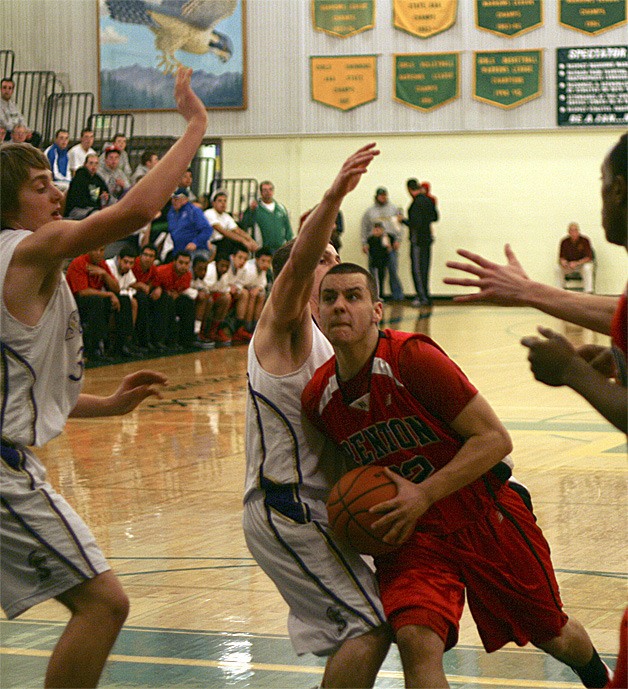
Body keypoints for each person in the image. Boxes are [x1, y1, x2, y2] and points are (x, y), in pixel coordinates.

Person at [302, 262, 612, 689]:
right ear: (315, 313)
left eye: (353, 296)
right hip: (413, 535)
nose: (340, 307)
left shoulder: (411, 358)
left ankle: (599, 679)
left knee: (553, 635)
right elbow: (345, 481)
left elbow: (495, 440)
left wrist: (424, 494)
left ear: (376, 310)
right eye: (330, 298)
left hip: (484, 514)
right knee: (415, 639)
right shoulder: (319, 398)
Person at [0, 66, 207, 687]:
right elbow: (138, 209)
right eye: (42, 187)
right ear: (11, 204)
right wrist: (195, 126)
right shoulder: (30, 251)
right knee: (105, 603)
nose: (56, 196)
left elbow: (23, 397)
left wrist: (109, 405)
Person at [243, 143, 392, 689]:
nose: (331, 262)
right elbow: (299, 262)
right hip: (286, 506)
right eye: (322, 257)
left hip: (315, 504)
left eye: (336, 256)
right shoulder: (281, 326)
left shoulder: (333, 344)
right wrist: (333, 195)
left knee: (375, 620)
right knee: (369, 625)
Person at [65, 246, 123, 361]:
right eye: (95, 249)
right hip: (75, 303)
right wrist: (109, 295)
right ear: (88, 250)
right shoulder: (79, 263)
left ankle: (121, 345)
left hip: (95, 301)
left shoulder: (102, 264)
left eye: (101, 250)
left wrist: (104, 274)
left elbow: (117, 289)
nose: (98, 253)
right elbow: (82, 292)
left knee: (123, 300)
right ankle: (95, 349)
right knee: (96, 300)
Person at [361, 187, 404, 301]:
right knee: (374, 271)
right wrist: (364, 243)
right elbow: (364, 228)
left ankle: (397, 296)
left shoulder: (393, 209)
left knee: (393, 269)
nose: (383, 197)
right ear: (376, 196)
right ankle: (375, 295)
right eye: (381, 195)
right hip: (374, 244)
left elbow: (399, 226)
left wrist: (398, 240)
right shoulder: (369, 212)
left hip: (390, 241)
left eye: (385, 195)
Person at [404, 178, 438, 307]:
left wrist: (403, 221)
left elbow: (415, 224)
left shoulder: (415, 204)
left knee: (417, 269)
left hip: (418, 241)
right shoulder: (429, 200)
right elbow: (435, 217)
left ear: (409, 189)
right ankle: (426, 296)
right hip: (427, 240)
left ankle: (422, 296)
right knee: (425, 269)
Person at [153, 250, 196, 349]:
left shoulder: (188, 275)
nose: (183, 266)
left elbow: (180, 290)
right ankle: (162, 340)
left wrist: (176, 294)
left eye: (186, 263)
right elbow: (153, 286)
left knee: (188, 302)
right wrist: (160, 289)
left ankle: (186, 340)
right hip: (159, 299)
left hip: (172, 298)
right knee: (167, 301)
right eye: (181, 262)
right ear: (174, 262)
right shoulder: (162, 271)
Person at [240, 180, 293, 253]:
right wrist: (250, 210)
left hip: (280, 249)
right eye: (265, 190)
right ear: (261, 192)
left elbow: (288, 228)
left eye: (270, 189)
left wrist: (289, 245)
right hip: (262, 250)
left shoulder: (281, 208)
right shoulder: (255, 208)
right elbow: (245, 224)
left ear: (273, 191)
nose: (268, 192)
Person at [205, 188, 259, 255]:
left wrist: (250, 240)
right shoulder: (209, 213)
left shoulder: (226, 216)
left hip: (223, 243)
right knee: (232, 241)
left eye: (225, 201)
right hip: (212, 243)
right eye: (220, 201)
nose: (223, 203)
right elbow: (223, 231)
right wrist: (244, 241)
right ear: (213, 203)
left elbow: (237, 230)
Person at [167, 187, 214, 259]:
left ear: (185, 199)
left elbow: (207, 229)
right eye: (173, 198)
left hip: (196, 251)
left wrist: (195, 243)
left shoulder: (193, 211)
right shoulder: (171, 213)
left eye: (177, 199)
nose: (174, 201)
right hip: (179, 251)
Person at [236, 246, 273, 334]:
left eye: (268, 262)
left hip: (249, 290)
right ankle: (244, 326)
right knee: (249, 295)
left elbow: (262, 283)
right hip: (238, 288)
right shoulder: (247, 268)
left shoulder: (263, 270)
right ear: (256, 259)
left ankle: (255, 326)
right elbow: (238, 282)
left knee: (260, 295)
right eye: (263, 261)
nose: (266, 264)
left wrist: (258, 288)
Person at [64, 153, 110, 219]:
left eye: (96, 163)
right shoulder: (79, 178)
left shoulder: (97, 178)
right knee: (97, 215)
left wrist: (105, 196)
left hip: (92, 209)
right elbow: (79, 200)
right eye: (91, 163)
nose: (94, 166)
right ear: (85, 164)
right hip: (76, 210)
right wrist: (97, 207)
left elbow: (105, 190)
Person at [0, 77, 40, 146]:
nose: (7, 90)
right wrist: (18, 130)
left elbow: (21, 118)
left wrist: (26, 130)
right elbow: (5, 123)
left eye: (10, 88)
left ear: (12, 91)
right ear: (1, 89)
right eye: (4, 87)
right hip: (7, 131)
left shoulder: (14, 105)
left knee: (36, 136)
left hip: (17, 130)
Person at [558, 222, 595, 293]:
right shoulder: (564, 242)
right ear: (568, 232)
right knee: (557, 269)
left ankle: (588, 291)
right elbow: (561, 257)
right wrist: (563, 262)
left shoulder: (585, 240)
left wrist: (577, 263)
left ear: (578, 231)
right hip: (569, 266)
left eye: (575, 230)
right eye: (571, 230)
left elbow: (589, 257)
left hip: (581, 265)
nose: (573, 232)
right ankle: (559, 291)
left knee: (588, 268)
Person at [366, 221, 393, 299]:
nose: (377, 231)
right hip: (374, 262)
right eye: (375, 229)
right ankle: (375, 295)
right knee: (374, 279)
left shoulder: (385, 238)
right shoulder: (371, 239)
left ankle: (381, 294)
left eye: (379, 230)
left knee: (381, 279)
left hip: (383, 262)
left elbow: (388, 249)